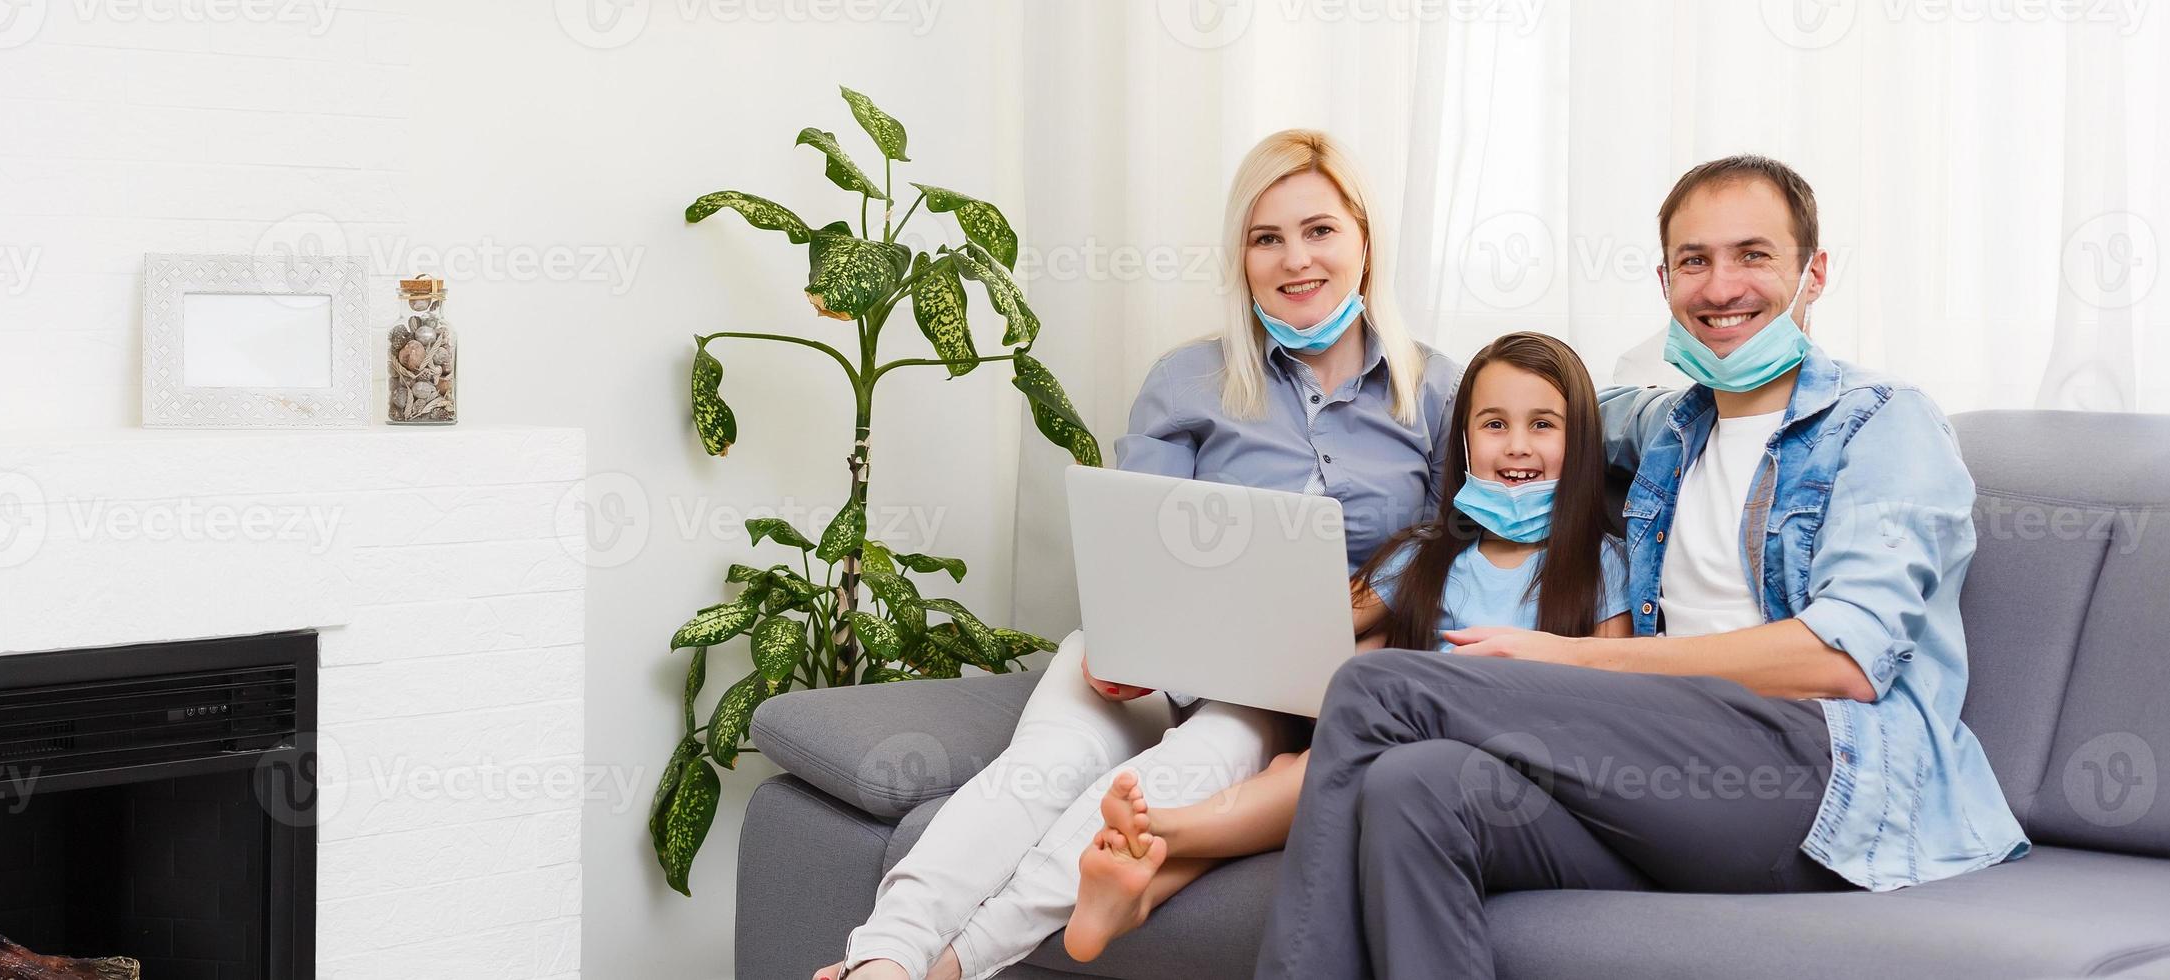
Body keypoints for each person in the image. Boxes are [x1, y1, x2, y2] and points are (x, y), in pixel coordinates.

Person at [1247, 154, 2029, 980]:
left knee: (1379, 688)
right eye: (1694, 261)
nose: (1721, 287)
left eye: (1752, 255)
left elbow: (1839, 661)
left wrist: (1577, 660)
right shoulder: (1666, 429)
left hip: (1815, 777)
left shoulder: (1884, 424)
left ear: (1814, 272)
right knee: (1412, 788)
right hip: (1663, 789)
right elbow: (1528, 401)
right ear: (1664, 283)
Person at [815, 129, 1461, 980]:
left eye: (1319, 231)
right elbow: (1137, 536)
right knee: (1044, 767)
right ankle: (882, 959)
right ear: (1241, 257)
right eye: (1266, 238)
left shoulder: (1439, 389)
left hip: (1281, 699)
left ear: (1363, 239)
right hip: (1149, 662)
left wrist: (1370, 602)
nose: (1294, 259)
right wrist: (1129, 640)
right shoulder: (1187, 379)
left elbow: (1462, 544)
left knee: (1163, 787)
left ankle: (951, 968)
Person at [1059, 330, 1634, 961]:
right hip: (1390, 757)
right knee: (1318, 769)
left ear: (1578, 443)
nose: (1517, 445)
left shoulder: (1600, 565)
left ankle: (1167, 828)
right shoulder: (1424, 557)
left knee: (1324, 775)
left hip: (1493, 769)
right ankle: (1141, 888)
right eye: (1494, 424)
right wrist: (1142, 640)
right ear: (1465, 442)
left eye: (1543, 424)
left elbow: (1613, 691)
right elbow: (1304, 624)